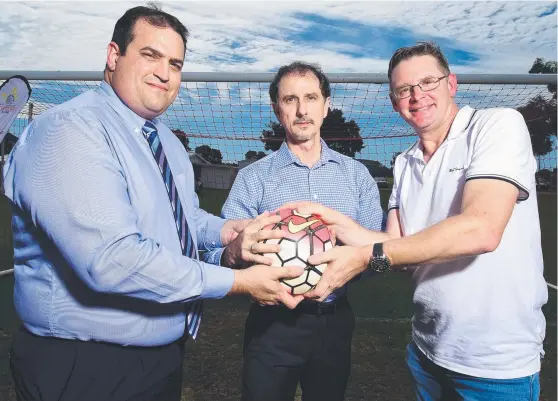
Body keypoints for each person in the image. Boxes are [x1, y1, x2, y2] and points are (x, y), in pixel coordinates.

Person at [3, 5, 305, 401]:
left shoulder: (166, 143)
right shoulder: (70, 131)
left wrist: (230, 231)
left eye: (175, 63)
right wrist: (240, 282)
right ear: (114, 56)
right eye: (151, 55)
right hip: (84, 365)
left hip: (159, 358)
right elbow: (112, 260)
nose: (165, 72)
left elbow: (181, 219)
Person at [289, 41, 548, 401]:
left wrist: (365, 258)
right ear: (395, 102)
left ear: (451, 84)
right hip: (427, 352)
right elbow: (392, 243)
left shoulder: (497, 125)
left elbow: (481, 229)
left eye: (428, 82)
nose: (417, 96)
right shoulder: (404, 162)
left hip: (494, 365)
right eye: (404, 90)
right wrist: (334, 222)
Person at [204, 61, 384, 401]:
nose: (302, 110)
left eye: (311, 98)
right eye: (290, 100)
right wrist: (232, 253)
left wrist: (354, 265)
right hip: (272, 325)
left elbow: (380, 253)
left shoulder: (357, 177)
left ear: (326, 104)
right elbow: (216, 253)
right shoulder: (252, 178)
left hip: (334, 321)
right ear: (276, 109)